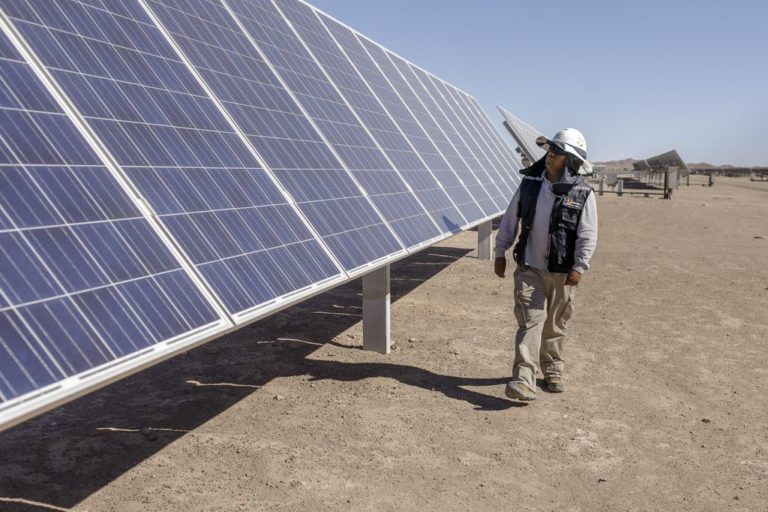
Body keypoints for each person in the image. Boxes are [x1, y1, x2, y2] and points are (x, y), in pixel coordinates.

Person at [494, 128, 598, 401]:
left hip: (564, 273)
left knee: (555, 325)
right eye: (550, 150)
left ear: (571, 161)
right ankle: (524, 379)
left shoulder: (583, 194)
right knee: (530, 323)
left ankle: (552, 369)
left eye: (558, 152)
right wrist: (500, 251)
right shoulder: (529, 185)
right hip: (529, 268)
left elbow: (588, 234)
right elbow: (510, 218)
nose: (550, 155)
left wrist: (579, 267)